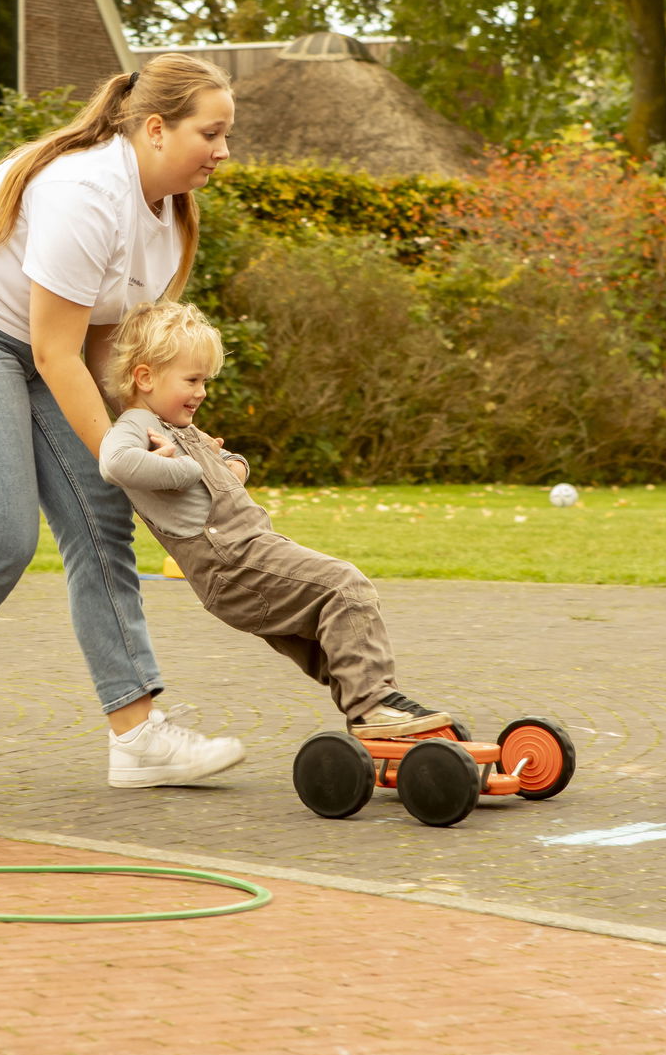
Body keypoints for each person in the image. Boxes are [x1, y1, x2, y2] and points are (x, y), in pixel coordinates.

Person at [0, 55, 246, 790]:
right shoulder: (87, 190)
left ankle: (139, 734)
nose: (223, 150)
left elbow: (102, 343)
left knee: (100, 519)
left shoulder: (167, 214)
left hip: (35, 345)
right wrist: (124, 456)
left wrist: (157, 436)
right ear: (155, 129)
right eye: (210, 132)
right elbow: (56, 350)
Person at [98, 301, 453, 738]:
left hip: (251, 553)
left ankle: (383, 718)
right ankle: (373, 707)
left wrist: (231, 467)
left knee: (328, 636)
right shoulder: (136, 424)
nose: (202, 391)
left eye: (204, 381)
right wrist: (188, 468)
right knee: (345, 587)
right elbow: (115, 464)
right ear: (145, 377)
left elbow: (230, 461)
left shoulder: (179, 427)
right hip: (231, 563)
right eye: (192, 380)